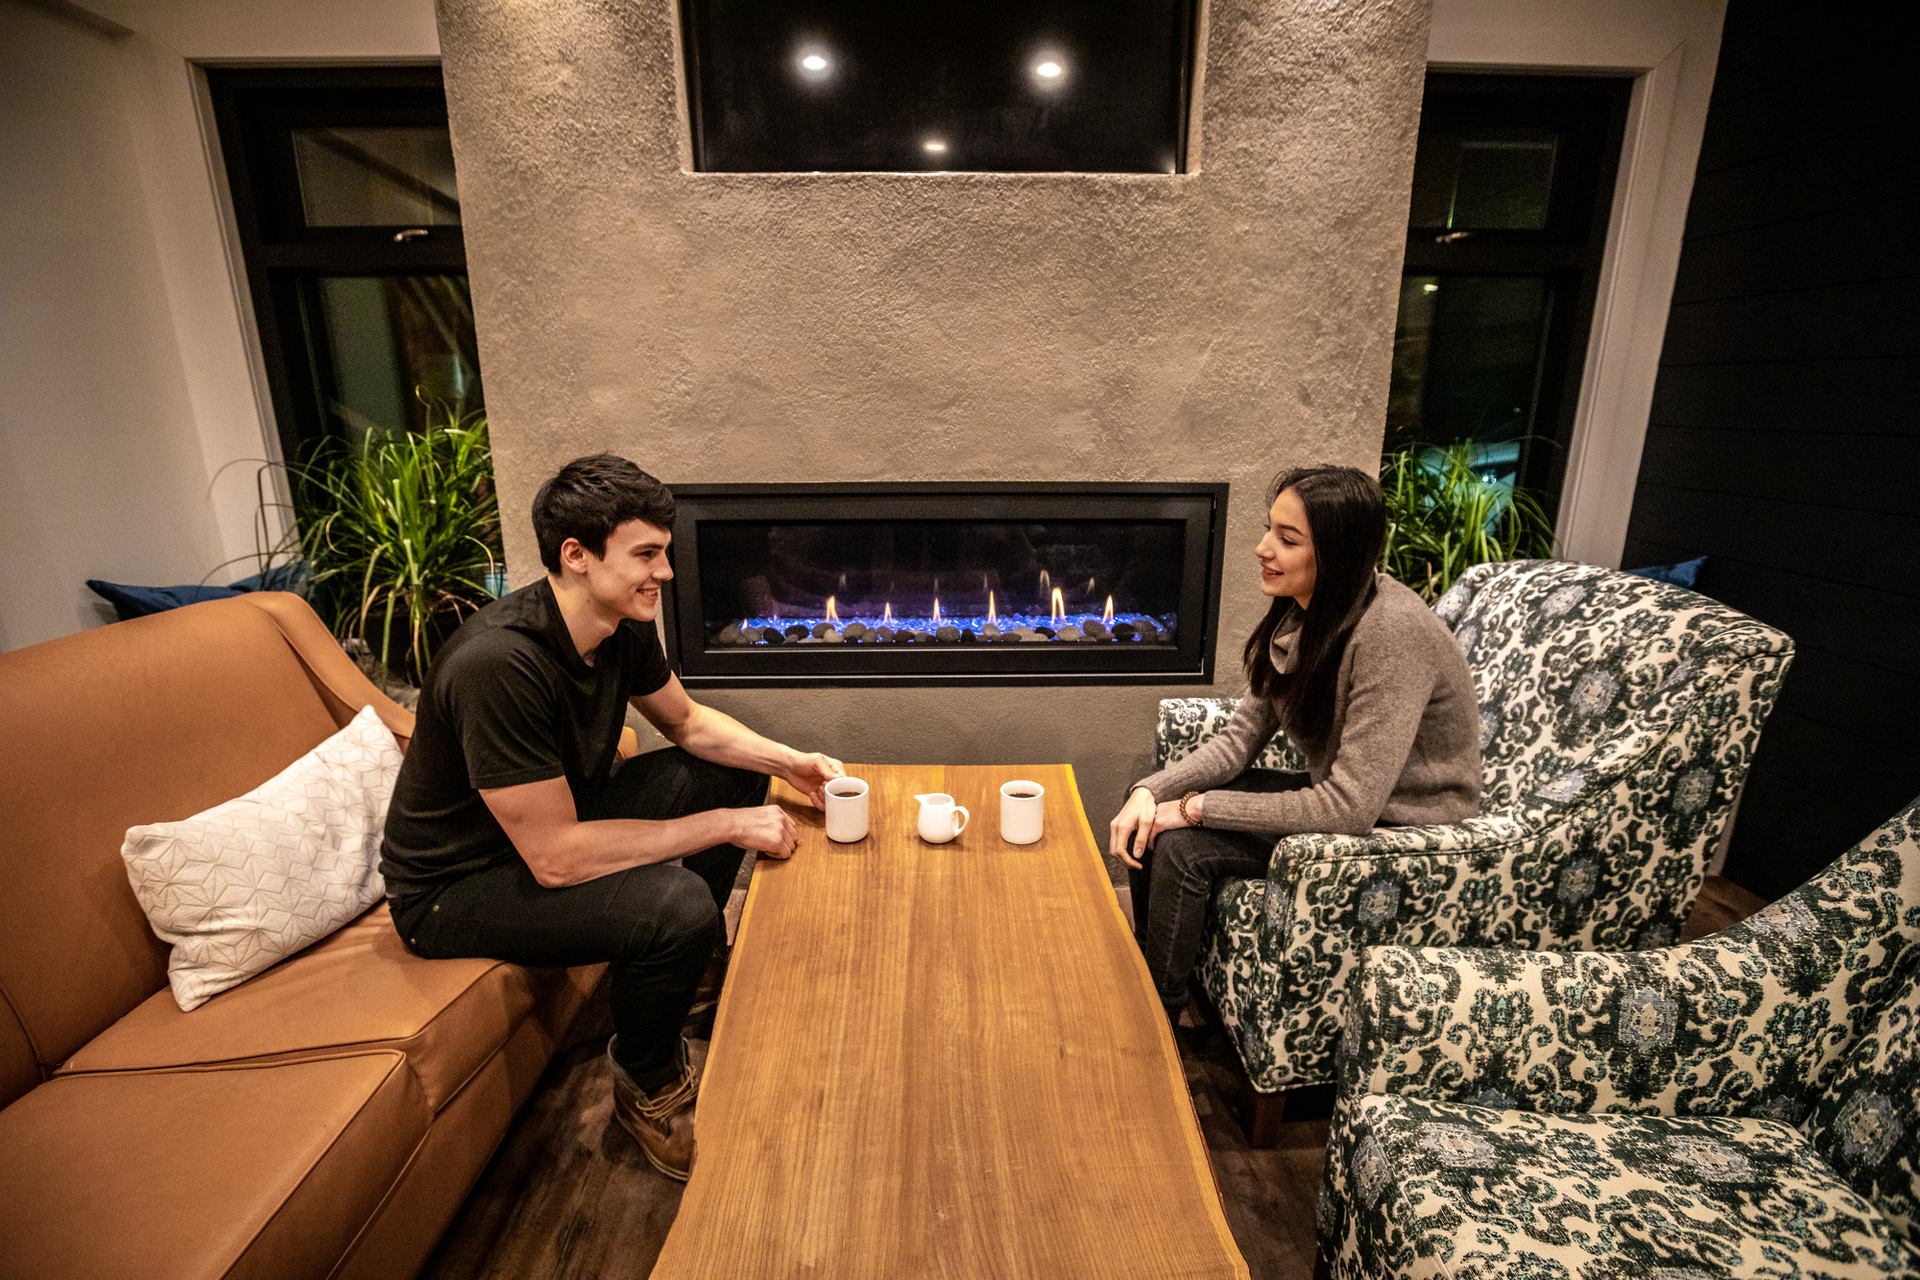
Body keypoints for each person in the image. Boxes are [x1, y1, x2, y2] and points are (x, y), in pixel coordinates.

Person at [380, 454, 844, 1181]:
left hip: (548, 828)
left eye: (663, 552)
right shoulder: (498, 664)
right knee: (678, 902)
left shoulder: (618, 624)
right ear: (576, 556)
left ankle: (674, 980)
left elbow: (689, 725)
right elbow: (556, 858)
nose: (663, 571)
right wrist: (725, 826)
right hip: (457, 885)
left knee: (730, 769)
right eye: (646, 554)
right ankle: (646, 1077)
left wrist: (788, 762)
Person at [1109, 464, 1482, 1021]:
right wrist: (1150, 790)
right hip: (1353, 805)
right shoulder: (1303, 610)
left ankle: (1155, 1018)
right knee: (1154, 817)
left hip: (1406, 831)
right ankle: (1151, 974)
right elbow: (1239, 742)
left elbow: (1350, 808)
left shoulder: (1392, 632)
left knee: (1185, 844)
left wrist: (1194, 811)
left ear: (1338, 552)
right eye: (1270, 530)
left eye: (1287, 540)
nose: (1263, 548)